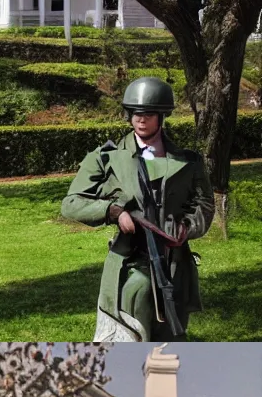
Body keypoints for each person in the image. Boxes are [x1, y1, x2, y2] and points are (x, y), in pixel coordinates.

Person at [61, 76, 214, 340]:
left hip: (174, 263)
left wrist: (186, 228)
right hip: (130, 261)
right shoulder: (106, 157)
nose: (141, 120)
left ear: (161, 116)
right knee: (132, 326)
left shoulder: (188, 161)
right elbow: (71, 203)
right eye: (136, 113)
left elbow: (204, 204)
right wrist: (113, 211)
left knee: (171, 337)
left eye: (149, 114)